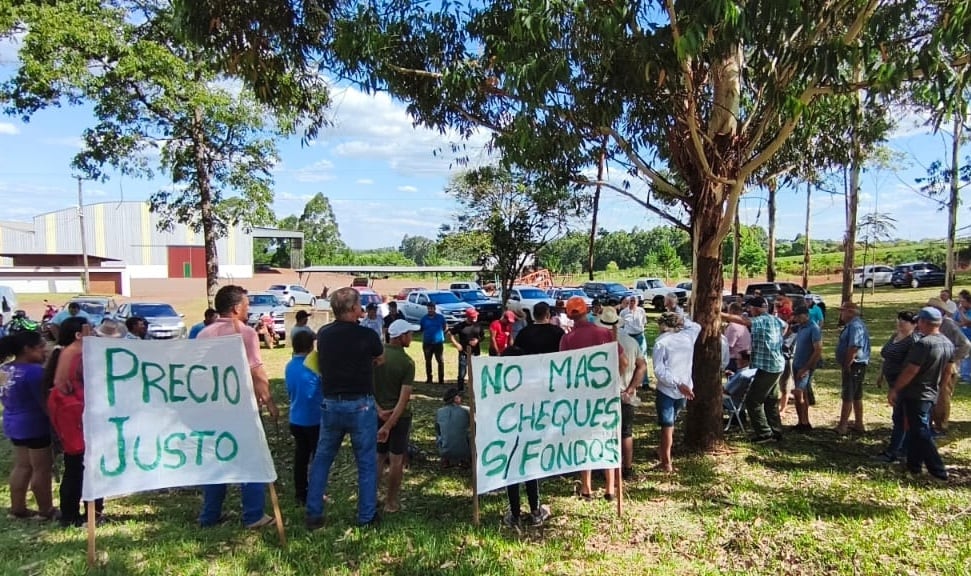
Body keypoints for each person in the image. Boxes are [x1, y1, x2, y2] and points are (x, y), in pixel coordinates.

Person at [196, 285, 279, 530]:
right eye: (246, 305)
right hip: (241, 406)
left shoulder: (203, 334)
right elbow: (257, 372)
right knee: (251, 459)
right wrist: (270, 402)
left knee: (215, 459)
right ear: (235, 308)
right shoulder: (245, 333)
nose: (249, 309)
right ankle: (253, 515)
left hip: (211, 406)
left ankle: (209, 515)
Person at [307, 287, 385, 530]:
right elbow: (380, 357)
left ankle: (314, 512)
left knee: (322, 459)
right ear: (353, 309)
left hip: (331, 404)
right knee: (365, 462)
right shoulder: (367, 335)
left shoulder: (324, 333)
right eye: (360, 304)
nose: (362, 308)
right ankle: (366, 516)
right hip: (360, 405)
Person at [500, 301, 563, 528]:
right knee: (530, 460)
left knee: (514, 462)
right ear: (548, 314)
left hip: (513, 416)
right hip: (543, 397)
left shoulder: (524, 334)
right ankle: (535, 510)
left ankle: (515, 513)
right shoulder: (558, 333)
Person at [559, 296, 626, 499]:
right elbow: (622, 361)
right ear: (587, 310)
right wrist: (616, 381)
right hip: (605, 395)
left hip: (580, 398)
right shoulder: (604, 333)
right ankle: (610, 488)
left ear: (570, 316)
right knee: (608, 436)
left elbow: (564, 370)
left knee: (584, 439)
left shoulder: (567, 339)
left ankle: (586, 488)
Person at [45, 316, 104, 527]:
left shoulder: (67, 351)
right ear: (80, 334)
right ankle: (76, 514)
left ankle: (76, 512)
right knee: (80, 463)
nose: (96, 333)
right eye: (91, 329)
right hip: (73, 411)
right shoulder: (79, 352)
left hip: (71, 410)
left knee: (76, 463)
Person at [887, 307, 954, 481]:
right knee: (916, 431)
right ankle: (914, 465)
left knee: (921, 431)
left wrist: (895, 389)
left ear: (924, 322)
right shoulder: (947, 342)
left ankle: (938, 469)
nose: (917, 325)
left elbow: (911, 370)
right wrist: (940, 390)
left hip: (916, 393)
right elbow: (948, 371)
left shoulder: (923, 344)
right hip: (931, 393)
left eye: (919, 322)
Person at [1, 330, 56, 520]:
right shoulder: (35, 373)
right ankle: (46, 509)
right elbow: (44, 402)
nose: (44, 351)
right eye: (40, 348)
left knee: (22, 465)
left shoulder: (5, 369)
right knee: (42, 468)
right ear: (27, 349)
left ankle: (17, 508)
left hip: (12, 422)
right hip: (34, 424)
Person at [721, 296, 786, 443]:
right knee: (770, 400)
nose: (748, 311)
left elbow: (744, 321)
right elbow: (785, 326)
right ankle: (776, 431)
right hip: (776, 365)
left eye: (750, 308)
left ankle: (764, 434)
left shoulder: (761, 320)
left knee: (753, 401)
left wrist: (720, 314)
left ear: (756, 308)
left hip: (768, 368)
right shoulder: (775, 319)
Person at [375, 319, 419, 514]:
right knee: (396, 460)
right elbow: (403, 400)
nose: (411, 337)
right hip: (399, 419)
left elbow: (368, 389)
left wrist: (379, 412)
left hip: (378, 414)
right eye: (409, 334)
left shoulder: (376, 357)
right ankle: (391, 501)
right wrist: (390, 424)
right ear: (401, 337)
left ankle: (371, 497)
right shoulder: (407, 363)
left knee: (377, 457)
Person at [598, 307, 647, 478]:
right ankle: (627, 468)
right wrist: (631, 389)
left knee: (603, 432)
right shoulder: (631, 342)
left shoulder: (599, 344)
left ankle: (605, 468)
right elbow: (642, 366)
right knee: (626, 432)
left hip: (604, 396)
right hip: (626, 394)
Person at [652, 311, 700, 472]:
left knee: (667, 426)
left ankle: (666, 462)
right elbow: (695, 326)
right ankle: (663, 453)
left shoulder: (661, 342)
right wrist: (681, 316)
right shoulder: (688, 336)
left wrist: (677, 384)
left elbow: (659, 370)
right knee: (670, 423)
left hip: (668, 389)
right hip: (685, 387)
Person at [874, 311, 919, 463]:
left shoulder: (912, 341)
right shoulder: (895, 336)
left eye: (905, 321)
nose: (900, 322)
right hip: (891, 381)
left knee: (901, 418)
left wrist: (899, 386)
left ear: (914, 324)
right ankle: (901, 448)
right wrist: (881, 375)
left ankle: (896, 451)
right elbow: (887, 357)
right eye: (899, 319)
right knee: (898, 416)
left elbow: (910, 366)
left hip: (903, 385)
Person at [286, 330, 322, 505]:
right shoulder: (314, 365)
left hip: (295, 418)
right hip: (314, 419)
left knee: (301, 456)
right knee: (318, 459)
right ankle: (316, 492)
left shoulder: (289, 365)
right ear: (310, 346)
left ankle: (300, 492)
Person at [926, 297, 970, 435]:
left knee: (943, 397)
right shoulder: (925, 323)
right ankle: (929, 423)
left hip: (947, 367)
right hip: (931, 367)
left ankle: (941, 426)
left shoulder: (949, 324)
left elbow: (966, 345)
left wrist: (950, 359)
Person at [834, 301, 870, 435]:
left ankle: (842, 426)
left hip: (854, 365)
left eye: (842, 310)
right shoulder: (852, 325)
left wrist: (847, 363)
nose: (840, 314)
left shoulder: (855, 326)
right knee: (856, 394)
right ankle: (859, 424)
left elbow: (854, 346)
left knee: (848, 394)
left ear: (850, 312)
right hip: (854, 364)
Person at [790, 305, 821, 431]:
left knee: (798, 392)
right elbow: (788, 330)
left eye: (798, 315)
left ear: (806, 315)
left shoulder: (814, 328)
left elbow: (818, 349)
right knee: (803, 394)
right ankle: (802, 422)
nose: (796, 318)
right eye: (795, 315)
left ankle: (804, 422)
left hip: (805, 365)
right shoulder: (800, 327)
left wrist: (807, 367)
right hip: (796, 363)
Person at [448, 308, 483, 391]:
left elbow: (483, 336)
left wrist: (477, 340)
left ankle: (475, 388)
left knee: (475, 372)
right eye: (473, 317)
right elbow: (451, 334)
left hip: (475, 353)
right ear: (468, 317)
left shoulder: (478, 325)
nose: (475, 318)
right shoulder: (460, 326)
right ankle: (460, 389)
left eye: (475, 316)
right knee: (462, 373)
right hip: (464, 353)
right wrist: (456, 344)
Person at [436, 388, 471, 466]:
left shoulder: (440, 411)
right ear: (456, 398)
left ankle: (446, 459)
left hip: (444, 450)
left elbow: (438, 430)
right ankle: (464, 460)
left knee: (441, 432)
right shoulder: (467, 410)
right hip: (465, 451)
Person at [419, 302, 447, 385]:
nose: (430, 310)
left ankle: (441, 379)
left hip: (438, 343)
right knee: (428, 361)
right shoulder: (424, 319)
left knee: (440, 361)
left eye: (432, 308)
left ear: (435, 308)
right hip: (427, 343)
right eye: (429, 308)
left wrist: (441, 336)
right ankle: (429, 378)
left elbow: (445, 327)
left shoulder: (440, 318)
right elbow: (422, 329)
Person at [724, 302, 751, 373]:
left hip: (734, 360)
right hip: (744, 358)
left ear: (731, 312)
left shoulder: (733, 326)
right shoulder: (744, 325)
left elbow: (728, 346)